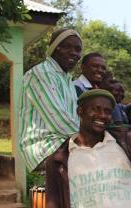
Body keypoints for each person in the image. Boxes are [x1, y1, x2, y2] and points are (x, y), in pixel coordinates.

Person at [18, 28, 82, 172]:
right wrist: (91, 139)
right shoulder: (42, 73)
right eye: (67, 47)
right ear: (55, 48)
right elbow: (58, 119)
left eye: (78, 49)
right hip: (44, 147)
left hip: (62, 142)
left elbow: (74, 120)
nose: (74, 53)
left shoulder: (66, 79)